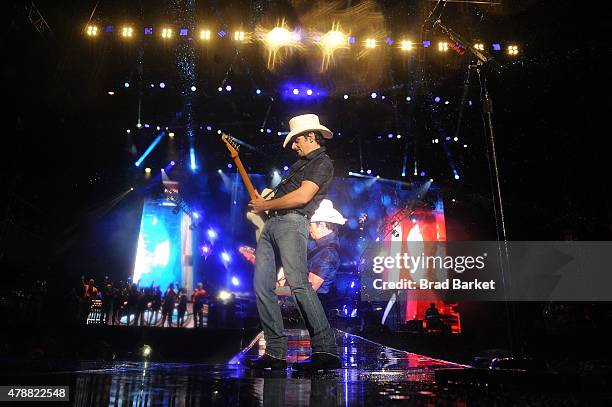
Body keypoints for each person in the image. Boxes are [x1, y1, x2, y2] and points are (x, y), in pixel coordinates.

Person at [247, 113, 340, 371]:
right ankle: (276, 353)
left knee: (298, 285)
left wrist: (265, 204)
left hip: (291, 223)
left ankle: (325, 350)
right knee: (262, 286)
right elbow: (287, 195)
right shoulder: (299, 165)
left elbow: (302, 196)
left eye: (297, 141)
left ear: (311, 136)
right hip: (272, 224)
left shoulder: (322, 162)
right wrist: (264, 204)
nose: (294, 146)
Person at [307, 199, 346, 307]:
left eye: (311, 224)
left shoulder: (327, 253)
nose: (309, 228)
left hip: (315, 306)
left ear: (322, 225)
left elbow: (310, 287)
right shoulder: (319, 245)